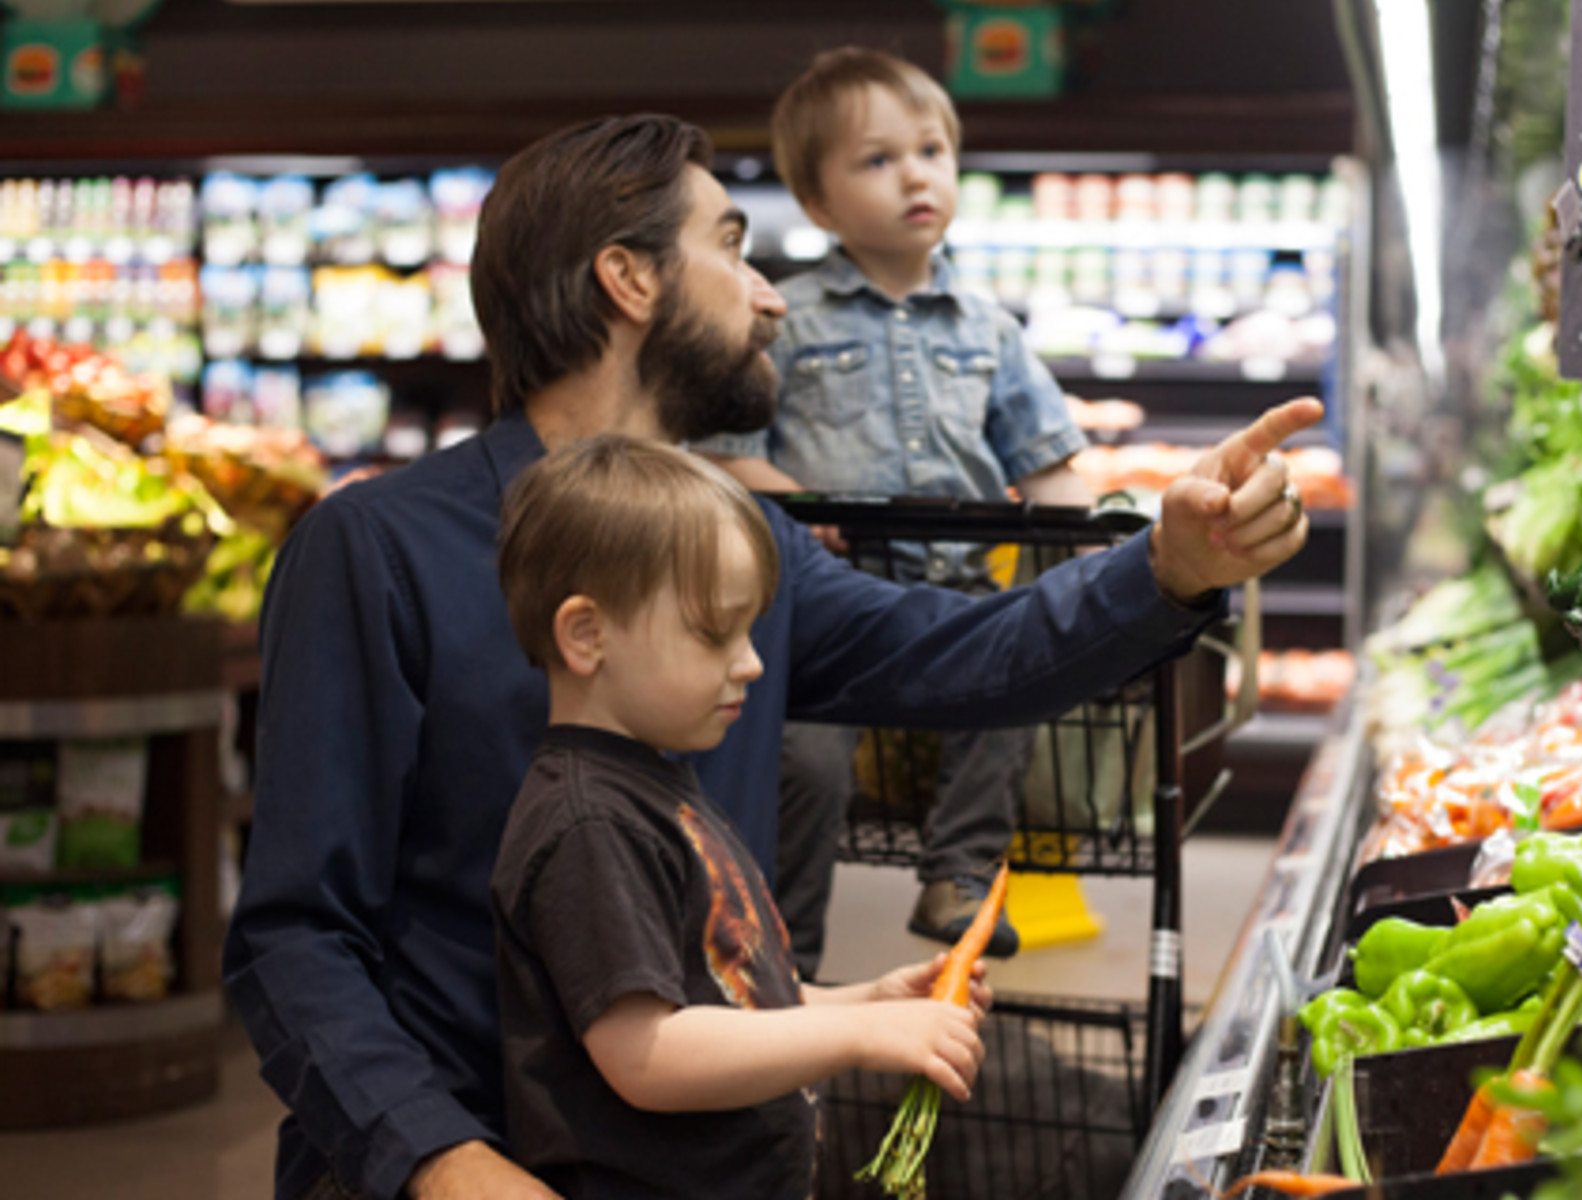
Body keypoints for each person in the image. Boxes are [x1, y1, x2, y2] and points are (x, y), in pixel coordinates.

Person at [224, 111, 1317, 1200]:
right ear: (628, 279)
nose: (773, 297)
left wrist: (1167, 566)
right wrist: (444, 1165)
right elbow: (297, 938)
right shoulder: (375, 550)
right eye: (735, 248)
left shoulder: (748, 555)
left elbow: (966, 656)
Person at [490, 434, 988, 1198]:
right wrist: (854, 1036)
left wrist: (869, 1000)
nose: (752, 661)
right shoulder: (591, 824)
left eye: (750, 630)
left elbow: (729, 995)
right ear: (588, 635)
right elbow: (647, 1054)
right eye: (714, 632)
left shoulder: (654, 788)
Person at [694, 48, 1093, 970]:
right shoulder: (783, 320)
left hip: (956, 588)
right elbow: (723, 459)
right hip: (823, 599)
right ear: (821, 204)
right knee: (806, 760)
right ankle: (784, 951)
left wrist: (1098, 546)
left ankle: (957, 875)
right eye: (877, 160)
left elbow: (1052, 464)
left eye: (932, 152)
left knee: (1012, 688)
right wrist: (798, 504)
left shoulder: (991, 328)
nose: (915, 174)